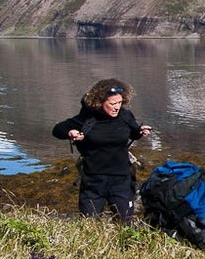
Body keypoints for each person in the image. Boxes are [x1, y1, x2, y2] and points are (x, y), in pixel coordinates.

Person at [52, 78, 152, 223]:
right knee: (89, 225)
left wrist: (140, 131)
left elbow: (133, 132)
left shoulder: (125, 116)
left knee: (126, 224)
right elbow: (57, 130)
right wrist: (70, 133)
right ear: (99, 103)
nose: (117, 107)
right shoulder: (87, 119)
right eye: (112, 104)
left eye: (119, 103)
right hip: (93, 181)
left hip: (122, 180)